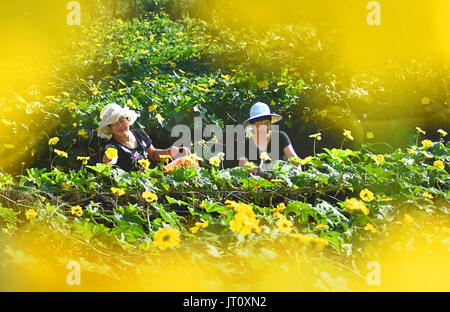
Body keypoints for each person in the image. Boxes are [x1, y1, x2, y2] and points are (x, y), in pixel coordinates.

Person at [97, 103, 186, 172]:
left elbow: (153, 154)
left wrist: (169, 151)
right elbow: (111, 160)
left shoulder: (139, 133)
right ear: (110, 128)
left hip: (149, 180)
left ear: (128, 120)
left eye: (122, 121)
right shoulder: (112, 146)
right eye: (115, 123)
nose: (120, 126)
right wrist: (108, 161)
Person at [238, 102, 300, 170]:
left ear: (270, 123)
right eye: (259, 125)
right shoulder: (247, 145)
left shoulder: (281, 137)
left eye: (267, 124)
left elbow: (296, 162)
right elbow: (242, 170)